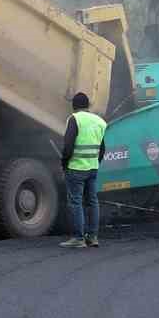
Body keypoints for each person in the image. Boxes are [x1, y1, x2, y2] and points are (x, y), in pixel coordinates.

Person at [59, 92, 106, 249]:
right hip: (93, 168)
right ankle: (92, 237)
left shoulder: (74, 119)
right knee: (92, 201)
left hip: (76, 167)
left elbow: (68, 146)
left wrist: (64, 163)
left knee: (75, 201)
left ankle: (78, 238)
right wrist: (95, 162)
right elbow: (102, 148)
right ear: (88, 105)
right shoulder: (100, 121)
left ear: (74, 106)